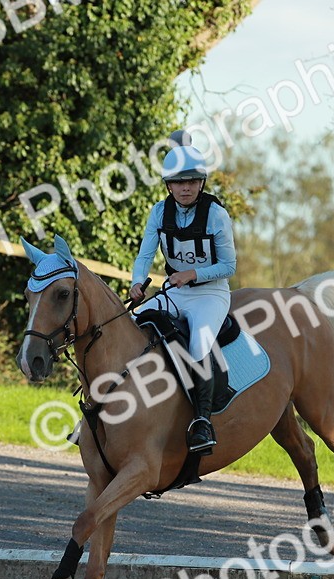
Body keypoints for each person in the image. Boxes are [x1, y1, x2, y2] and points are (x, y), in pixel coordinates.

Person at [130, 131, 237, 455]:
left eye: (192, 180)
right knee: (127, 324)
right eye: (178, 182)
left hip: (210, 294)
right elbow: (146, 255)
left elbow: (229, 265)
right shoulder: (159, 213)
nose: (186, 187)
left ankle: (202, 422)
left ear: (201, 182)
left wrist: (193, 274)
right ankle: (101, 411)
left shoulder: (216, 214)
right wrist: (137, 281)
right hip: (174, 292)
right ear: (169, 185)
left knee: (200, 343)